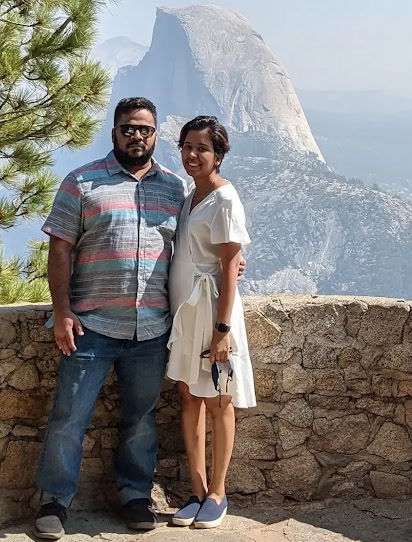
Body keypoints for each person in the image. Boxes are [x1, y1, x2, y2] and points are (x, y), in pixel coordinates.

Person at [33, 97, 187, 539]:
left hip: (152, 329)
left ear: (156, 133)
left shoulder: (174, 189)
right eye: (128, 129)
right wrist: (62, 311)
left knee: (141, 419)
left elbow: (193, 248)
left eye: (145, 129)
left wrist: (232, 263)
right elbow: (60, 248)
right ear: (114, 131)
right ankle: (54, 501)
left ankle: (135, 495)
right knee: (69, 419)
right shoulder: (82, 182)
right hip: (90, 327)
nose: (136, 136)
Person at [166, 116, 256, 529]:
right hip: (187, 313)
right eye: (187, 146)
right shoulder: (190, 197)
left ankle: (218, 493)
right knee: (189, 398)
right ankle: (196, 490)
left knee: (220, 400)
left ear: (218, 155)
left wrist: (223, 331)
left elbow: (229, 263)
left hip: (215, 315)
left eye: (202, 148)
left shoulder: (224, 199)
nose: (192, 155)